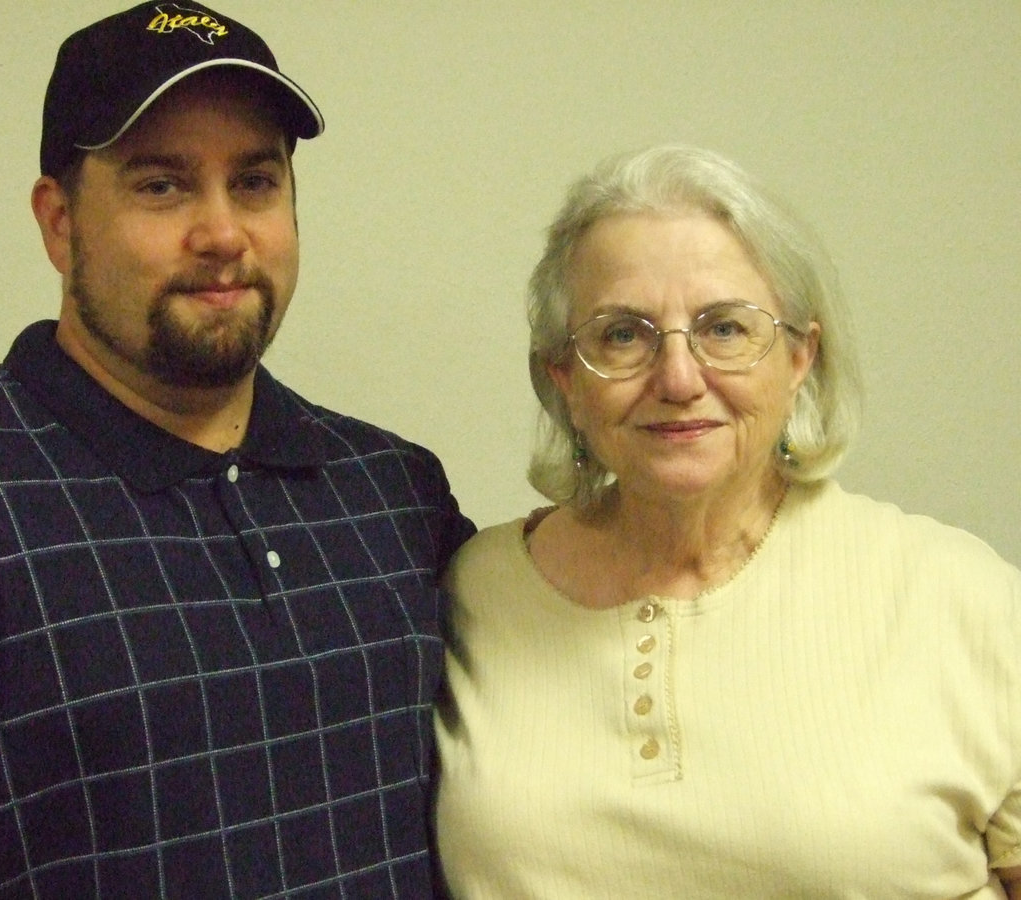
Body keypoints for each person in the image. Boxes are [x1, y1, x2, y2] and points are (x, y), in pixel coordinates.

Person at [0, 4, 473, 897]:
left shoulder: (394, 493)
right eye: (162, 186)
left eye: (255, 182)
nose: (223, 233)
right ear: (60, 223)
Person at [433, 144, 1021, 898]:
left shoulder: (966, 600)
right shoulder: (474, 593)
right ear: (565, 378)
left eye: (725, 329)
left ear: (801, 358)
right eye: (623, 334)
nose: (679, 379)